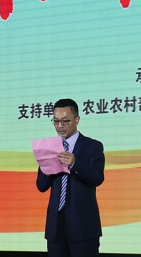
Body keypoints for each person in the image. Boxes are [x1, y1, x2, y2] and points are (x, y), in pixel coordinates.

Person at [36, 98, 105, 257]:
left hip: (83, 227)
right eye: (56, 121)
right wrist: (47, 165)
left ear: (77, 119)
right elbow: (41, 186)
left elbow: (97, 178)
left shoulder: (92, 146)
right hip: (55, 228)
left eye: (65, 121)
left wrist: (74, 164)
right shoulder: (50, 148)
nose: (60, 126)